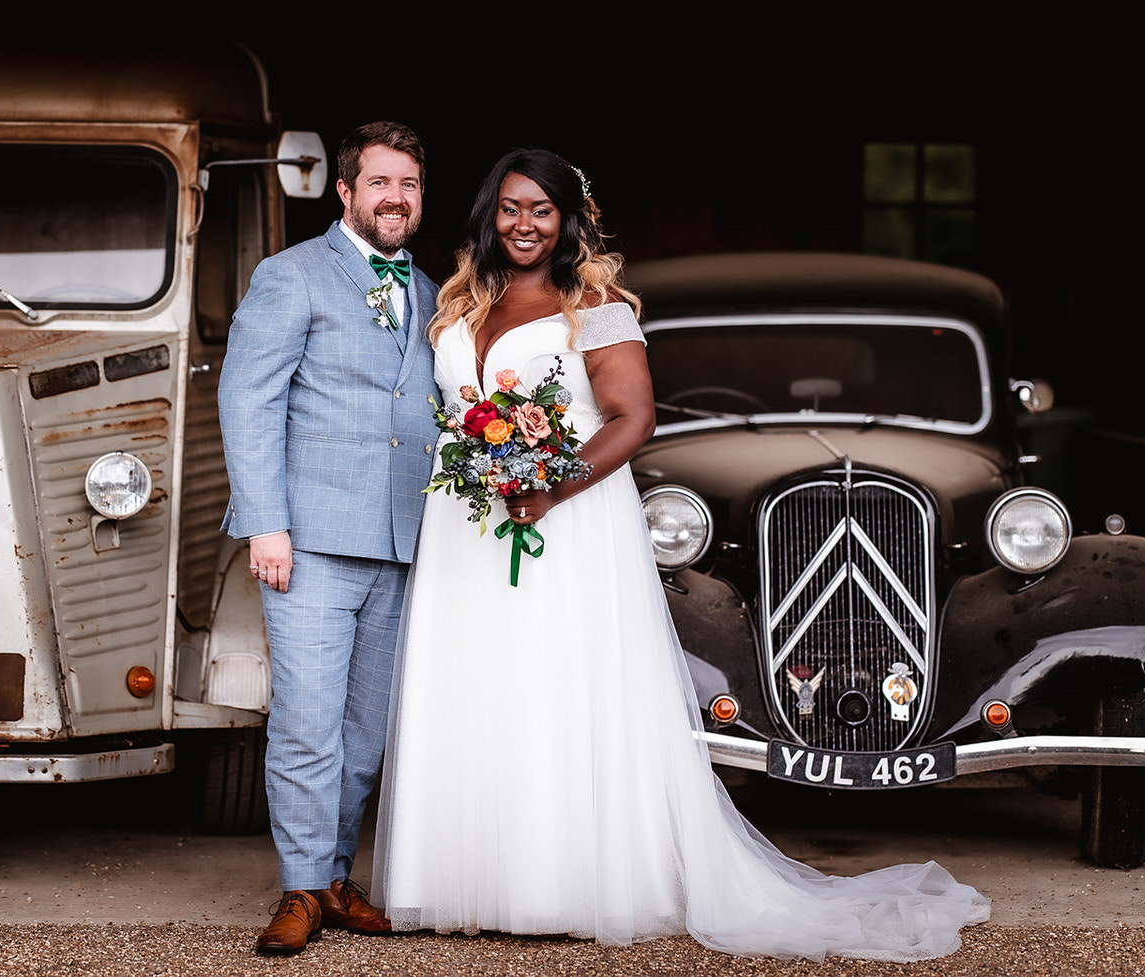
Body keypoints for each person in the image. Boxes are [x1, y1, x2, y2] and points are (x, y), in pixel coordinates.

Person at [370, 149, 991, 961]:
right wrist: (483, 467)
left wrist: (549, 485)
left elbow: (633, 419)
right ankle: (456, 878)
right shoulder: (456, 303)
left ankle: (562, 884)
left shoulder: (593, 305)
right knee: (477, 680)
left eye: (542, 211)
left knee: (555, 684)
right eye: (510, 208)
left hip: (564, 519)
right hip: (466, 523)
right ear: (488, 213)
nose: (524, 225)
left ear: (568, 221)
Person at [218, 121, 439, 956]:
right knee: (307, 722)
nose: (395, 198)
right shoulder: (290, 276)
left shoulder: (428, 290)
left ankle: (336, 875)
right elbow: (249, 402)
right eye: (379, 183)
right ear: (344, 191)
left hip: (403, 542)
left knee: (367, 733)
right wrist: (265, 522)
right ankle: (301, 887)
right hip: (305, 543)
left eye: (409, 185)